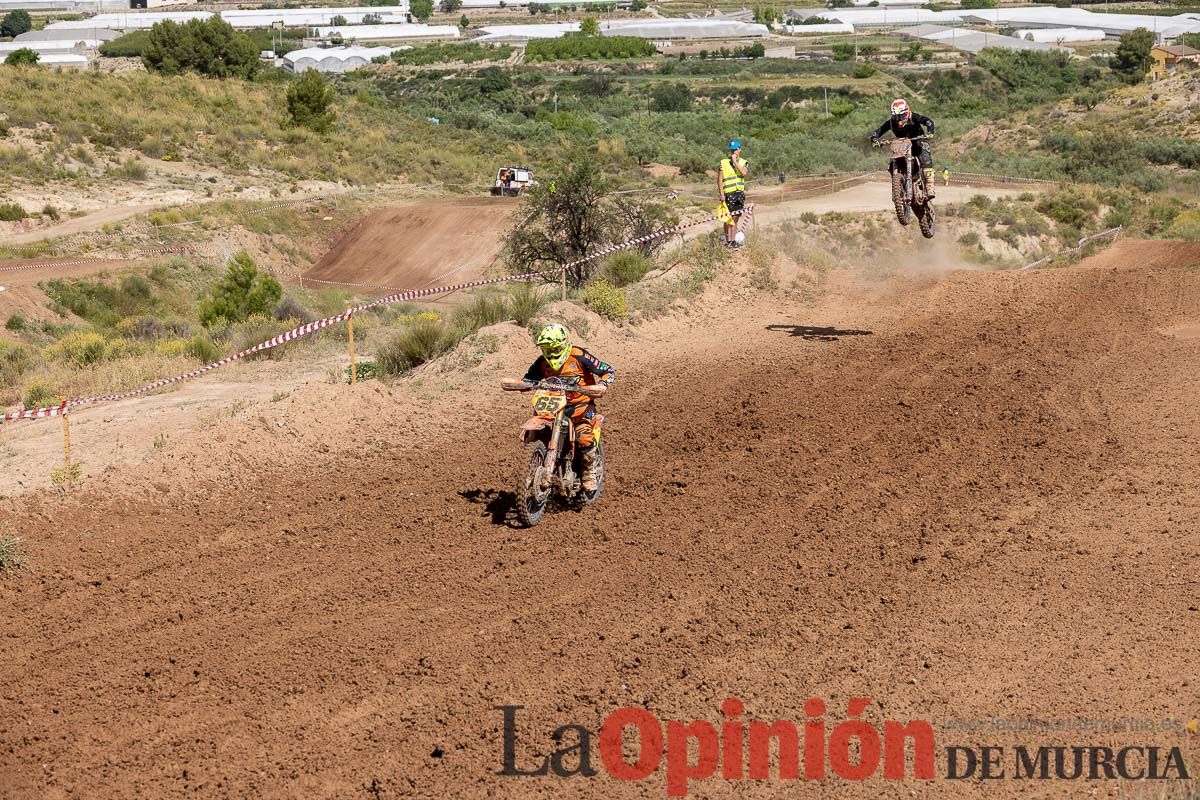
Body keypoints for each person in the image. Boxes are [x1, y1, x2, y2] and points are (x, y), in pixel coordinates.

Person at [518, 323, 615, 492]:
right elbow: (528, 379)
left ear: (564, 344)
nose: (551, 353)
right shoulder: (542, 362)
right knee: (537, 431)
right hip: (552, 407)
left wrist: (603, 384)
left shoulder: (579, 356)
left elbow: (608, 370)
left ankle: (589, 473)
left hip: (580, 406)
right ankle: (540, 462)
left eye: (554, 349)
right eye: (547, 349)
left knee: (584, 435)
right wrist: (519, 384)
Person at [870, 99, 937, 198]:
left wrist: (930, 132)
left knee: (925, 158)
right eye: (896, 117)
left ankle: (929, 186)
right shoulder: (891, 123)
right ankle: (898, 185)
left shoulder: (914, 117)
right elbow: (878, 131)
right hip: (903, 144)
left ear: (907, 112)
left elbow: (928, 121)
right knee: (892, 162)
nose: (899, 120)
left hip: (918, 141)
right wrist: (874, 139)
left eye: (901, 116)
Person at [718, 139, 749, 248]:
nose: (734, 152)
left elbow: (744, 172)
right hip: (728, 194)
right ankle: (728, 241)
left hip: (739, 194)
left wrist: (735, 162)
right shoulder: (723, 162)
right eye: (732, 150)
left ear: (740, 149)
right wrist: (721, 194)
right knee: (728, 218)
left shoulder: (743, 162)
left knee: (736, 217)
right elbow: (720, 179)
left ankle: (733, 240)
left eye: (736, 149)